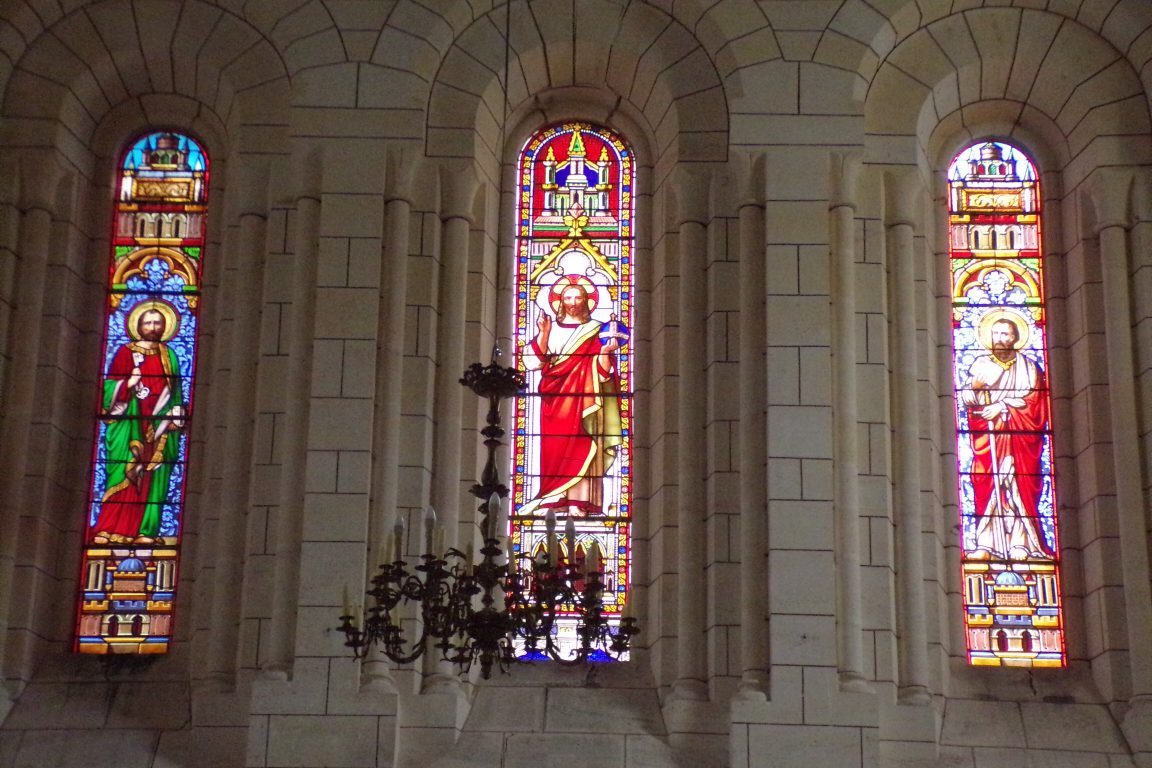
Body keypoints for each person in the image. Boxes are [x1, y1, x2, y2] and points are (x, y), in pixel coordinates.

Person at [520, 280, 623, 517]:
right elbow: (534, 363)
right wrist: (543, 334)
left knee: (583, 444)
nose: (573, 303)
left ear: (587, 301)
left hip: (585, 398)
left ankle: (579, 502)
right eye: (568, 298)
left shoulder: (597, 329)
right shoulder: (551, 328)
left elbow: (603, 371)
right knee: (556, 448)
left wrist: (606, 353)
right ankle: (553, 498)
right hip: (554, 400)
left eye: (578, 298)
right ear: (560, 302)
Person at [91, 306, 185, 545]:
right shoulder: (125, 353)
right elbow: (107, 392)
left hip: (158, 426)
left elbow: (176, 394)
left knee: (153, 477)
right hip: (128, 424)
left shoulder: (170, 356)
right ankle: (107, 529)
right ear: (138, 325)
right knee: (122, 472)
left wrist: (177, 414)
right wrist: (127, 385)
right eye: (148, 323)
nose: (153, 327)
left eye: (158, 323)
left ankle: (146, 532)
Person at [961, 315, 1051, 560]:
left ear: (1015, 337)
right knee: (986, 481)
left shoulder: (1029, 367)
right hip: (989, 436)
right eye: (996, 334)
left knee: (1018, 485)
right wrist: (976, 388)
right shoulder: (980, 364)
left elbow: (1036, 404)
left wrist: (1002, 407)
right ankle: (987, 543)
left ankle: (1022, 543)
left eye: (1005, 334)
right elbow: (967, 400)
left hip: (1019, 439)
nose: (1000, 339)